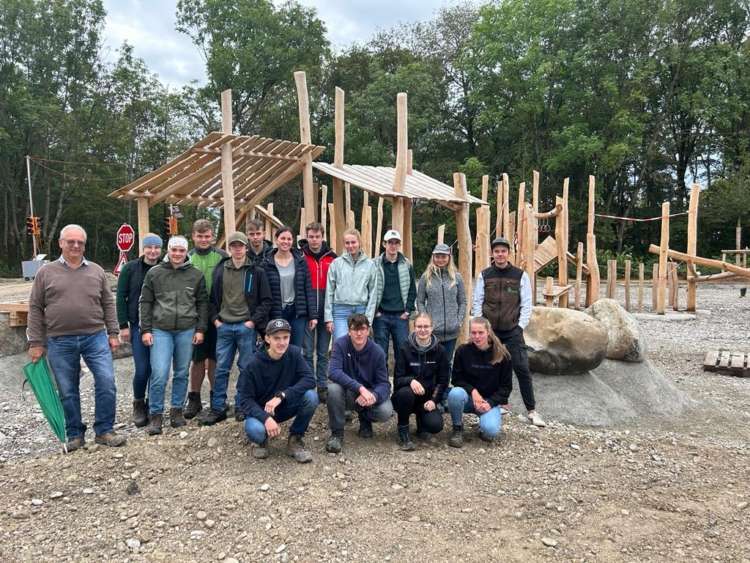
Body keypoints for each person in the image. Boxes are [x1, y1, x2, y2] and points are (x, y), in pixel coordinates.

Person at [27, 224, 126, 451]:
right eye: (70, 241)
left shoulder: (97, 271)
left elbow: (108, 304)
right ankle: (75, 434)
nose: (75, 245)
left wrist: (113, 332)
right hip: (59, 340)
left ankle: (104, 430)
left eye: (80, 242)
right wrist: (36, 342)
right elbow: (35, 308)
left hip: (95, 336)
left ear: (84, 244)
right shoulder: (46, 272)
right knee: (68, 389)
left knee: (106, 382)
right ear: (61, 243)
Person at [472, 236, 546, 427]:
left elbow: (527, 303)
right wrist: (482, 328)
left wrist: (520, 326)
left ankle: (532, 410)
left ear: (508, 253)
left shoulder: (520, 275)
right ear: (492, 253)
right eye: (496, 251)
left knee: (521, 368)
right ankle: (490, 406)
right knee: (489, 368)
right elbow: (477, 302)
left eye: (503, 251)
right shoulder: (485, 275)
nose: (500, 254)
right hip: (490, 331)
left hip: (512, 330)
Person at [201, 232, 273, 425]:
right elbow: (212, 299)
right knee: (222, 368)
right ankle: (218, 407)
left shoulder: (255, 271)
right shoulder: (220, 269)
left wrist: (252, 322)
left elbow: (266, 301)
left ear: (246, 247)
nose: (237, 249)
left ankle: (242, 405)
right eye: (234, 246)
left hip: (245, 326)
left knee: (246, 368)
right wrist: (216, 320)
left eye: (240, 245)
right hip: (224, 326)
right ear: (230, 248)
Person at [139, 235, 209, 435]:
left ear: (186, 252)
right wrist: (146, 330)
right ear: (167, 251)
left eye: (181, 250)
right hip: (161, 329)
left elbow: (202, 303)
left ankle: (177, 411)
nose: (177, 254)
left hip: (187, 329)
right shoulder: (155, 273)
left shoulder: (195, 275)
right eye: (174, 250)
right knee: (160, 373)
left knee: (181, 372)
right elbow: (145, 302)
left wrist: (200, 329)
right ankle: (155, 415)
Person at [237, 318, 318, 463]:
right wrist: (265, 418)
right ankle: (262, 440)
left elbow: (310, 379)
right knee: (257, 431)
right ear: (267, 338)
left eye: (285, 337)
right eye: (276, 338)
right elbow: (244, 399)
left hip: (284, 405)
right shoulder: (253, 363)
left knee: (311, 397)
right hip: (261, 411)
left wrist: (282, 395)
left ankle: (295, 439)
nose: (282, 342)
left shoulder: (293, 353)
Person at [326, 314, 393, 453]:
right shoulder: (340, 344)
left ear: (368, 330)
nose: (359, 333)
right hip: (349, 392)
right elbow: (333, 372)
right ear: (349, 331)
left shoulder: (377, 352)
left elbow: (384, 384)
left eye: (362, 329)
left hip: (368, 394)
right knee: (332, 389)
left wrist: (374, 395)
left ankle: (365, 420)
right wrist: (359, 388)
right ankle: (337, 434)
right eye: (354, 329)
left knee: (385, 411)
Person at [116, 233, 163, 427]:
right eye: (149, 247)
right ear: (143, 249)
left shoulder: (165, 268)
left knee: (157, 369)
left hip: (161, 325)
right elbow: (121, 297)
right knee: (143, 368)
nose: (153, 251)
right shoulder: (130, 269)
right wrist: (123, 325)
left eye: (157, 248)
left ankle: (154, 405)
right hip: (137, 324)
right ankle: (138, 402)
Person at [184, 219, 228, 420]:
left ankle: (215, 397)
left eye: (207, 236)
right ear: (193, 236)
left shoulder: (222, 256)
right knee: (197, 358)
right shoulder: (187, 257)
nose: (203, 239)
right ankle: (194, 398)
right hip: (194, 314)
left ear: (212, 236)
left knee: (215, 358)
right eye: (199, 236)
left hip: (217, 314)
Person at [447, 317, 513, 448]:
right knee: (455, 393)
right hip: (468, 398)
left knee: (491, 431)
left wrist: (490, 403)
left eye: (480, 332)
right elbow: (456, 379)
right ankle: (457, 428)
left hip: (488, 401)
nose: (477, 336)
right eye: (473, 333)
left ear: (488, 332)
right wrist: (473, 391)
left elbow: (506, 388)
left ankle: (483, 425)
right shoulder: (462, 351)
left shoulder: (502, 354)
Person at [391, 313, 449, 451]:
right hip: (406, 396)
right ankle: (403, 430)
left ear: (432, 328)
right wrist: (411, 381)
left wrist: (434, 400)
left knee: (436, 426)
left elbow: (443, 381)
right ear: (414, 328)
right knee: (405, 393)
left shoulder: (440, 351)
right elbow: (397, 379)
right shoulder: (404, 348)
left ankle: (421, 425)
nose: (422, 330)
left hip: (426, 399)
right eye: (419, 326)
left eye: (426, 326)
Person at [298, 222, 337, 402]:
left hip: (327, 309)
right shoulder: (300, 256)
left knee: (323, 351)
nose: (314, 240)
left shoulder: (332, 258)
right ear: (307, 237)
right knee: (307, 351)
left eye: (317, 236)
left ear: (323, 237)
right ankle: (308, 384)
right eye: (311, 237)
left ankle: (322, 385)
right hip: (307, 310)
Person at [262, 226, 317, 347]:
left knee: (295, 348)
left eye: (289, 239)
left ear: (292, 241)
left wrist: (313, 315)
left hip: (297, 311)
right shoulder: (267, 263)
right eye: (282, 238)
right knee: (278, 348)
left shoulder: (300, 261)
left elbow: (308, 287)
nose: (286, 242)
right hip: (276, 311)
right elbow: (263, 292)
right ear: (276, 239)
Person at [416, 243, 467, 365]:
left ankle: (445, 384)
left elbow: (462, 301)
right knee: (431, 362)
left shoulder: (457, 277)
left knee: (447, 362)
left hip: (451, 330)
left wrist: (459, 321)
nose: (440, 259)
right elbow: (420, 301)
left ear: (449, 257)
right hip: (432, 331)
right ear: (433, 257)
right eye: (437, 256)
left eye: (444, 256)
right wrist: (426, 320)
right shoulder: (426, 277)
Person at [323, 229, 379, 340]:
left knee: (360, 344)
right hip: (340, 311)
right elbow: (329, 291)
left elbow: (373, 294)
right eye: (347, 243)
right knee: (341, 343)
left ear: (359, 243)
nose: (350, 245)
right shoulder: (336, 264)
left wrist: (368, 319)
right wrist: (328, 318)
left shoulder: (370, 265)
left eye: (353, 242)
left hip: (361, 310)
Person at [373, 229, 416, 359]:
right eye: (390, 242)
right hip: (381, 315)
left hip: (400, 316)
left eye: (396, 242)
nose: (393, 245)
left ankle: (400, 380)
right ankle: (382, 380)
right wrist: (375, 311)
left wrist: (408, 311)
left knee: (402, 353)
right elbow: (368, 289)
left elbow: (412, 290)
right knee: (380, 353)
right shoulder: (374, 264)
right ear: (383, 244)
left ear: (399, 245)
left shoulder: (406, 264)